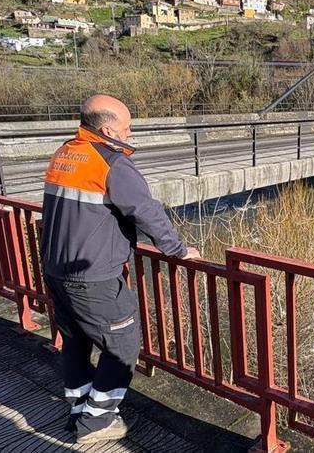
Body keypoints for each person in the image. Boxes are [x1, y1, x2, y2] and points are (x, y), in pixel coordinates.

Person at [41, 94, 200, 446]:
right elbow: (145, 210)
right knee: (123, 345)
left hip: (55, 268)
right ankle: (96, 421)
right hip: (93, 275)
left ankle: (79, 404)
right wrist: (177, 249)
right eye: (127, 128)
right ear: (107, 128)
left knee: (76, 341)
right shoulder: (111, 163)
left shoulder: (66, 152)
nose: (130, 134)